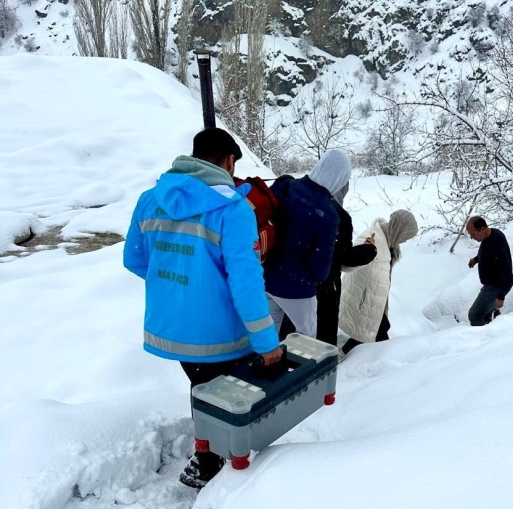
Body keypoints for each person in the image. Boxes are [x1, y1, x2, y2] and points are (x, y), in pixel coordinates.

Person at [122, 127, 283, 489]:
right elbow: (246, 284)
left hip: (171, 331)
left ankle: (206, 454)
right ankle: (227, 469)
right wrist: (267, 343)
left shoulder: (151, 198)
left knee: (202, 386)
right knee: (231, 399)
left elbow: (134, 259)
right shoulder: (234, 209)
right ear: (229, 161)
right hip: (221, 336)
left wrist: (180, 285)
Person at [278, 151, 378, 345]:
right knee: (317, 346)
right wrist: (368, 251)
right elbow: (342, 258)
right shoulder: (338, 216)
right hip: (321, 292)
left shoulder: (291, 192)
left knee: (288, 338)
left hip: (282, 282)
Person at [262, 149, 349, 338]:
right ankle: (300, 367)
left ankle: (266, 365)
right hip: (298, 290)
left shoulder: (286, 186)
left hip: (266, 278)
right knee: (308, 341)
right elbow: (320, 269)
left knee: (268, 337)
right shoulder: (329, 215)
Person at [338, 209, 419, 355]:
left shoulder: (390, 241)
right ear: (399, 229)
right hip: (363, 300)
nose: (406, 240)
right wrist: (367, 249)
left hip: (375, 299)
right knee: (369, 335)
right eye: (406, 236)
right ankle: (360, 361)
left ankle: (350, 356)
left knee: (372, 332)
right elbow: (349, 264)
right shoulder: (370, 237)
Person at [466, 216, 513, 326]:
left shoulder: (497, 242)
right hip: (490, 284)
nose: (471, 237)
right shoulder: (488, 237)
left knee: (474, 315)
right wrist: (476, 259)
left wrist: (500, 296)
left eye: (473, 234)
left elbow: (507, 271)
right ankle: (489, 331)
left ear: (482, 229)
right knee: (485, 315)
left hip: (495, 287)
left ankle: (483, 339)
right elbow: (488, 254)